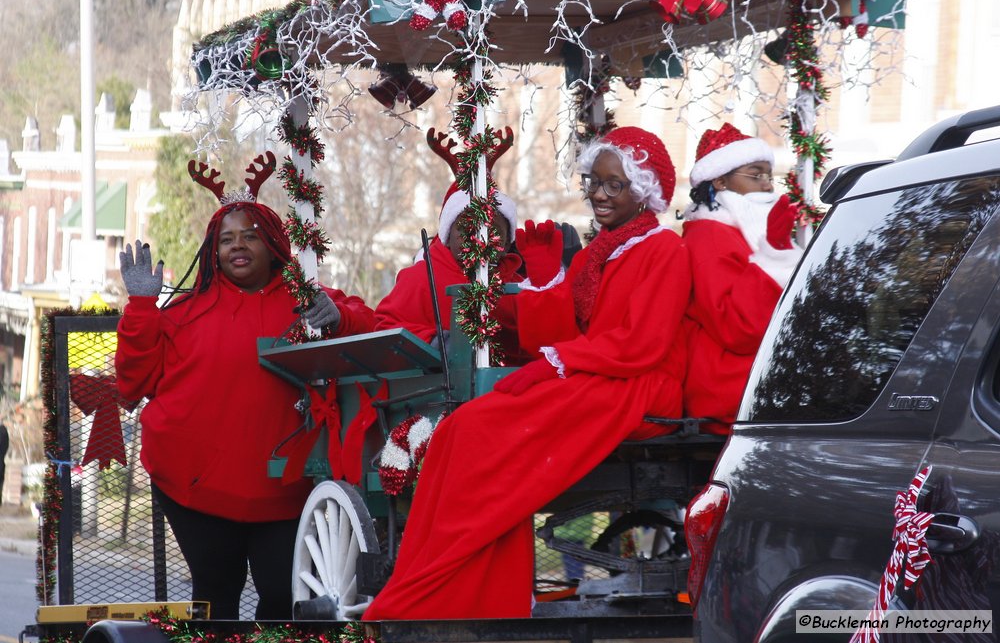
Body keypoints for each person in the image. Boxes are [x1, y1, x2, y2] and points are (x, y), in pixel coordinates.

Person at [362, 126, 690, 620]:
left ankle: (445, 586)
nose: (598, 194)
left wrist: (558, 363)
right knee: (462, 429)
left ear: (642, 191)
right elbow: (559, 322)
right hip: (600, 375)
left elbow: (643, 344)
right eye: (592, 183)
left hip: (635, 386)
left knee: (483, 432)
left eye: (613, 185)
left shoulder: (663, 249)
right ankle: (445, 577)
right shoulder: (601, 251)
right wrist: (526, 290)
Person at [114, 153, 376, 620]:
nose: (238, 247)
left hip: (286, 490)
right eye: (227, 239)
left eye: (250, 237)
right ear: (212, 251)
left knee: (284, 596)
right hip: (196, 485)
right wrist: (139, 308)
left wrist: (341, 317)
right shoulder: (183, 314)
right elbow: (132, 384)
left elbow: (368, 324)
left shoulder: (307, 302)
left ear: (273, 244)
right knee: (216, 594)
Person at [681, 123, 802, 432]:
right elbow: (737, 328)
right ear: (720, 181)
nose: (767, 186)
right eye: (755, 174)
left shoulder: (736, 233)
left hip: (755, 384)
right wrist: (772, 255)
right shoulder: (709, 236)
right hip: (731, 390)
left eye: (769, 176)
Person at [374, 183, 538, 363]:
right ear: (448, 237)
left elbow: (540, 344)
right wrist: (436, 343)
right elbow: (386, 329)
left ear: (506, 244)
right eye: (466, 228)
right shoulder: (421, 277)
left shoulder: (519, 287)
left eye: (492, 231)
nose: (479, 238)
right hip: (438, 385)